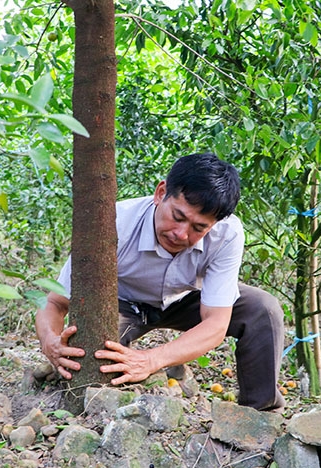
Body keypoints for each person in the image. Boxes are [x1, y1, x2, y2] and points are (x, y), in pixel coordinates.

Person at [35, 153, 286, 412]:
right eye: (177, 217)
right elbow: (55, 302)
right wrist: (50, 342)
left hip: (186, 299)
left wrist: (152, 359)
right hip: (120, 304)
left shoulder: (228, 234)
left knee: (262, 309)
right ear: (161, 193)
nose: (181, 234)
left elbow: (216, 323)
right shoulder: (115, 222)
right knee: (98, 356)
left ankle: (260, 414)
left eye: (199, 228)